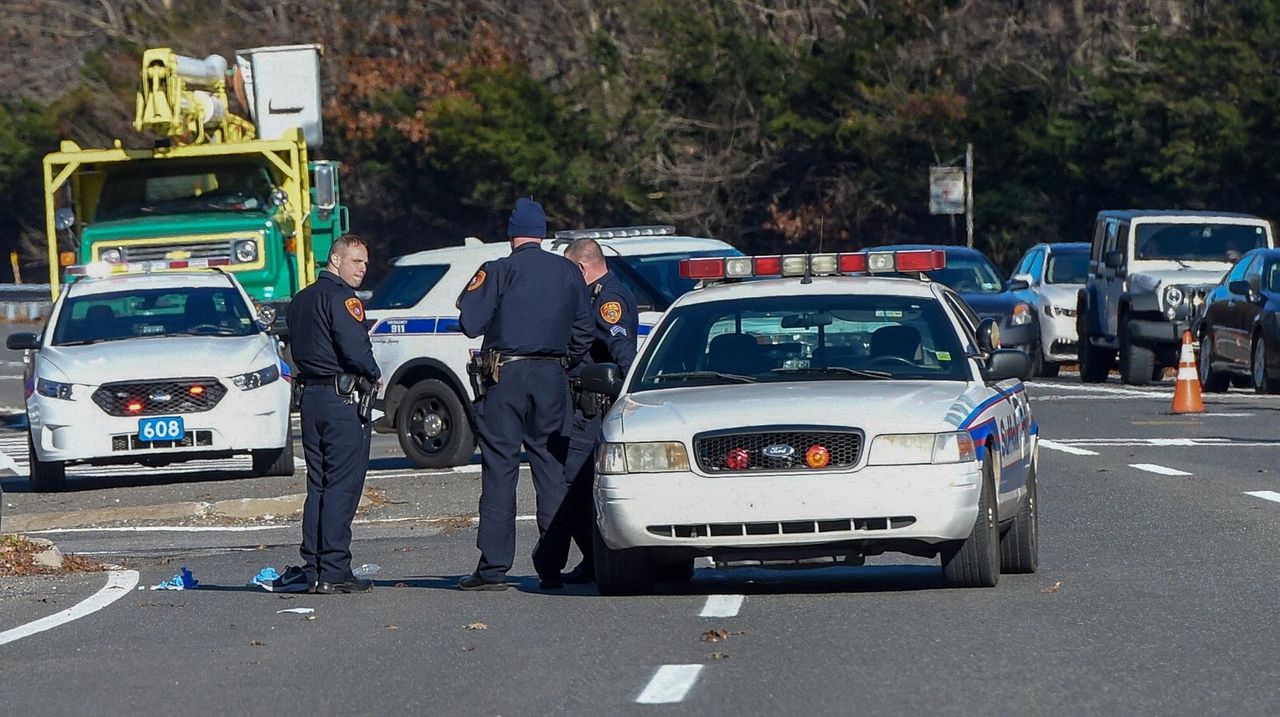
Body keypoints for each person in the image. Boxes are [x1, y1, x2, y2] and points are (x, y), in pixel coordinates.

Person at [456, 198, 592, 591]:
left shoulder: (499, 269)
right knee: (551, 470)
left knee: (500, 468)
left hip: (506, 375)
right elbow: (584, 330)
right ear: (544, 233)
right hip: (551, 375)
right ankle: (551, 567)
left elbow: (470, 322)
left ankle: (493, 567)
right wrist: (564, 359)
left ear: (510, 234)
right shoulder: (568, 270)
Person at [281, 235, 381, 594]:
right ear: (335, 261)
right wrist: (373, 372)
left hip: (311, 398)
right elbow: (355, 349)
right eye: (356, 261)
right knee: (342, 484)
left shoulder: (301, 299)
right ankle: (334, 569)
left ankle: (315, 566)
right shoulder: (342, 298)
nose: (362, 269)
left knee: (319, 484)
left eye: (366, 263)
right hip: (341, 401)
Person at [540, 238, 639, 585]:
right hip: (580, 405)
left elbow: (621, 348)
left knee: (574, 481)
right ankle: (591, 558)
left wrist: (629, 395)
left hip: (594, 408)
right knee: (575, 483)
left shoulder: (606, 299)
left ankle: (597, 558)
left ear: (581, 267)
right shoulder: (590, 294)